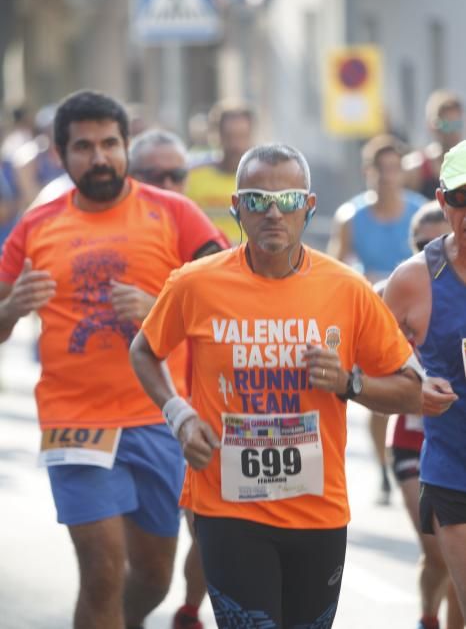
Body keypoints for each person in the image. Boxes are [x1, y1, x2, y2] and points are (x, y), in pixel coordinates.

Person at [129, 142, 431, 629]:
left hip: (319, 512)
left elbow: (413, 389)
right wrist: (179, 416)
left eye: (288, 201)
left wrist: (349, 382)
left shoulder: (346, 289)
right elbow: (143, 349)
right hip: (227, 509)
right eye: (256, 199)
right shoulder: (195, 284)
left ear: (309, 207)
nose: (273, 212)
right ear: (235, 208)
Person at [0, 90, 227, 629]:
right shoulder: (36, 226)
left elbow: (228, 297)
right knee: (102, 570)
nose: (98, 157)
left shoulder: (175, 213)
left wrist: (160, 309)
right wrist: (11, 308)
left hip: (160, 417)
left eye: (109, 144)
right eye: (83, 146)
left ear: (126, 147)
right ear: (61, 153)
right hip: (75, 421)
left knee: (151, 576)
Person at [129, 128, 208, 629]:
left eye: (176, 175)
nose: (168, 184)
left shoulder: (204, 238)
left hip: (207, 405)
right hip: (137, 415)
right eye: (154, 176)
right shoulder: (118, 232)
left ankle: (189, 609)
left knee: (210, 533)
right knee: (127, 567)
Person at [384, 139, 466, 623]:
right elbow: (367, 363)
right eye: (461, 198)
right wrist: (412, 387)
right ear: (442, 200)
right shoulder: (415, 279)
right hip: (453, 468)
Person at [327, 133, 426, 505]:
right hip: (373, 314)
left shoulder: (420, 211)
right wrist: (362, 277)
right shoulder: (351, 216)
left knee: (413, 390)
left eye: (393, 169)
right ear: (367, 172)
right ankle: (386, 467)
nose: (387, 176)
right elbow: (339, 265)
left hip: (414, 318)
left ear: (403, 172)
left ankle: (417, 462)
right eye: (379, 169)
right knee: (377, 395)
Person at [186, 100, 255, 244]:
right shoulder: (192, 178)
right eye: (230, 136)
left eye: (242, 136)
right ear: (216, 135)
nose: (236, 145)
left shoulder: (261, 180)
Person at [403, 90, 464, 199]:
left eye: (456, 124)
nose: (452, 132)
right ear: (432, 125)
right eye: (446, 125)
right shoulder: (415, 168)